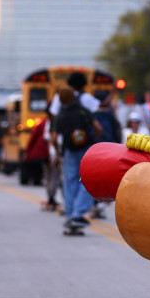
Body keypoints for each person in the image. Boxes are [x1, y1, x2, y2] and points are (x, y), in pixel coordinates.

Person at [52, 85, 101, 233]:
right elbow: (98, 128)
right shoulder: (83, 111)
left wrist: (58, 151)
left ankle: (70, 215)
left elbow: (53, 137)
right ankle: (78, 214)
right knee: (86, 180)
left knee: (69, 182)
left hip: (69, 151)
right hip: (85, 150)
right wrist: (92, 140)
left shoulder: (60, 116)